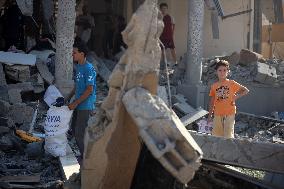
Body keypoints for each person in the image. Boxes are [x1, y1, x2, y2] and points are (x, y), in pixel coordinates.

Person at [67, 40, 96, 160]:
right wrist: (67, 98)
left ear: (82, 54)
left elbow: (89, 90)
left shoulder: (89, 69)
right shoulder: (79, 66)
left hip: (85, 105)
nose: (72, 55)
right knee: (74, 129)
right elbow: (77, 85)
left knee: (79, 133)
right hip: (78, 104)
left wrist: (75, 102)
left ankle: (87, 159)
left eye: (74, 52)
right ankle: (84, 155)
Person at [208, 60, 249, 138]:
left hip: (229, 112)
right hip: (217, 114)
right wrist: (210, 116)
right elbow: (212, 102)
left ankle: (229, 149)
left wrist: (236, 96)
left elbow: (246, 90)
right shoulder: (214, 86)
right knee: (216, 136)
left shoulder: (231, 83)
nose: (222, 72)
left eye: (224, 70)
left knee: (228, 136)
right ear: (216, 72)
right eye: (220, 70)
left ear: (228, 72)